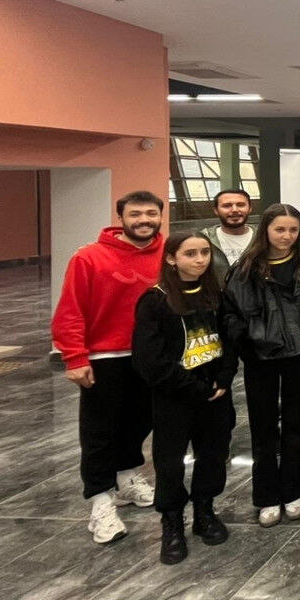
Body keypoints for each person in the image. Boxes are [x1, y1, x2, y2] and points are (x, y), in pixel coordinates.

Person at [52, 190, 162, 544]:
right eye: (135, 214)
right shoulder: (89, 257)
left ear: (160, 216)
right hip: (105, 358)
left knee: (141, 421)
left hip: (151, 356)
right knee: (100, 432)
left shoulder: (168, 253)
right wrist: (75, 357)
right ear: (121, 218)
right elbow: (70, 310)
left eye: (150, 213)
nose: (144, 220)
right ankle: (100, 501)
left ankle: (127, 478)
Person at [132, 230, 237, 564]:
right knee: (170, 461)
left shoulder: (216, 295)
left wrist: (224, 378)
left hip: (215, 392)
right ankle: (172, 521)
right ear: (171, 258)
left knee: (213, 454)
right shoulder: (155, 300)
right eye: (190, 254)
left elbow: (229, 340)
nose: (200, 260)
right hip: (175, 396)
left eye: (204, 252)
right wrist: (194, 388)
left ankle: (204, 511)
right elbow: (151, 360)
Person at [221, 203, 300, 528]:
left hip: (298, 355)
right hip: (259, 357)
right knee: (262, 427)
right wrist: (249, 339)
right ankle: (265, 496)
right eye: (280, 229)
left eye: (293, 230)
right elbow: (230, 313)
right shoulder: (246, 266)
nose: (286, 236)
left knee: (295, 424)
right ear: (265, 230)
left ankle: (293, 492)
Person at [200, 188, 254, 283]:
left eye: (240, 205)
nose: (235, 210)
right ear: (216, 210)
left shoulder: (263, 236)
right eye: (227, 206)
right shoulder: (203, 238)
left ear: (250, 208)